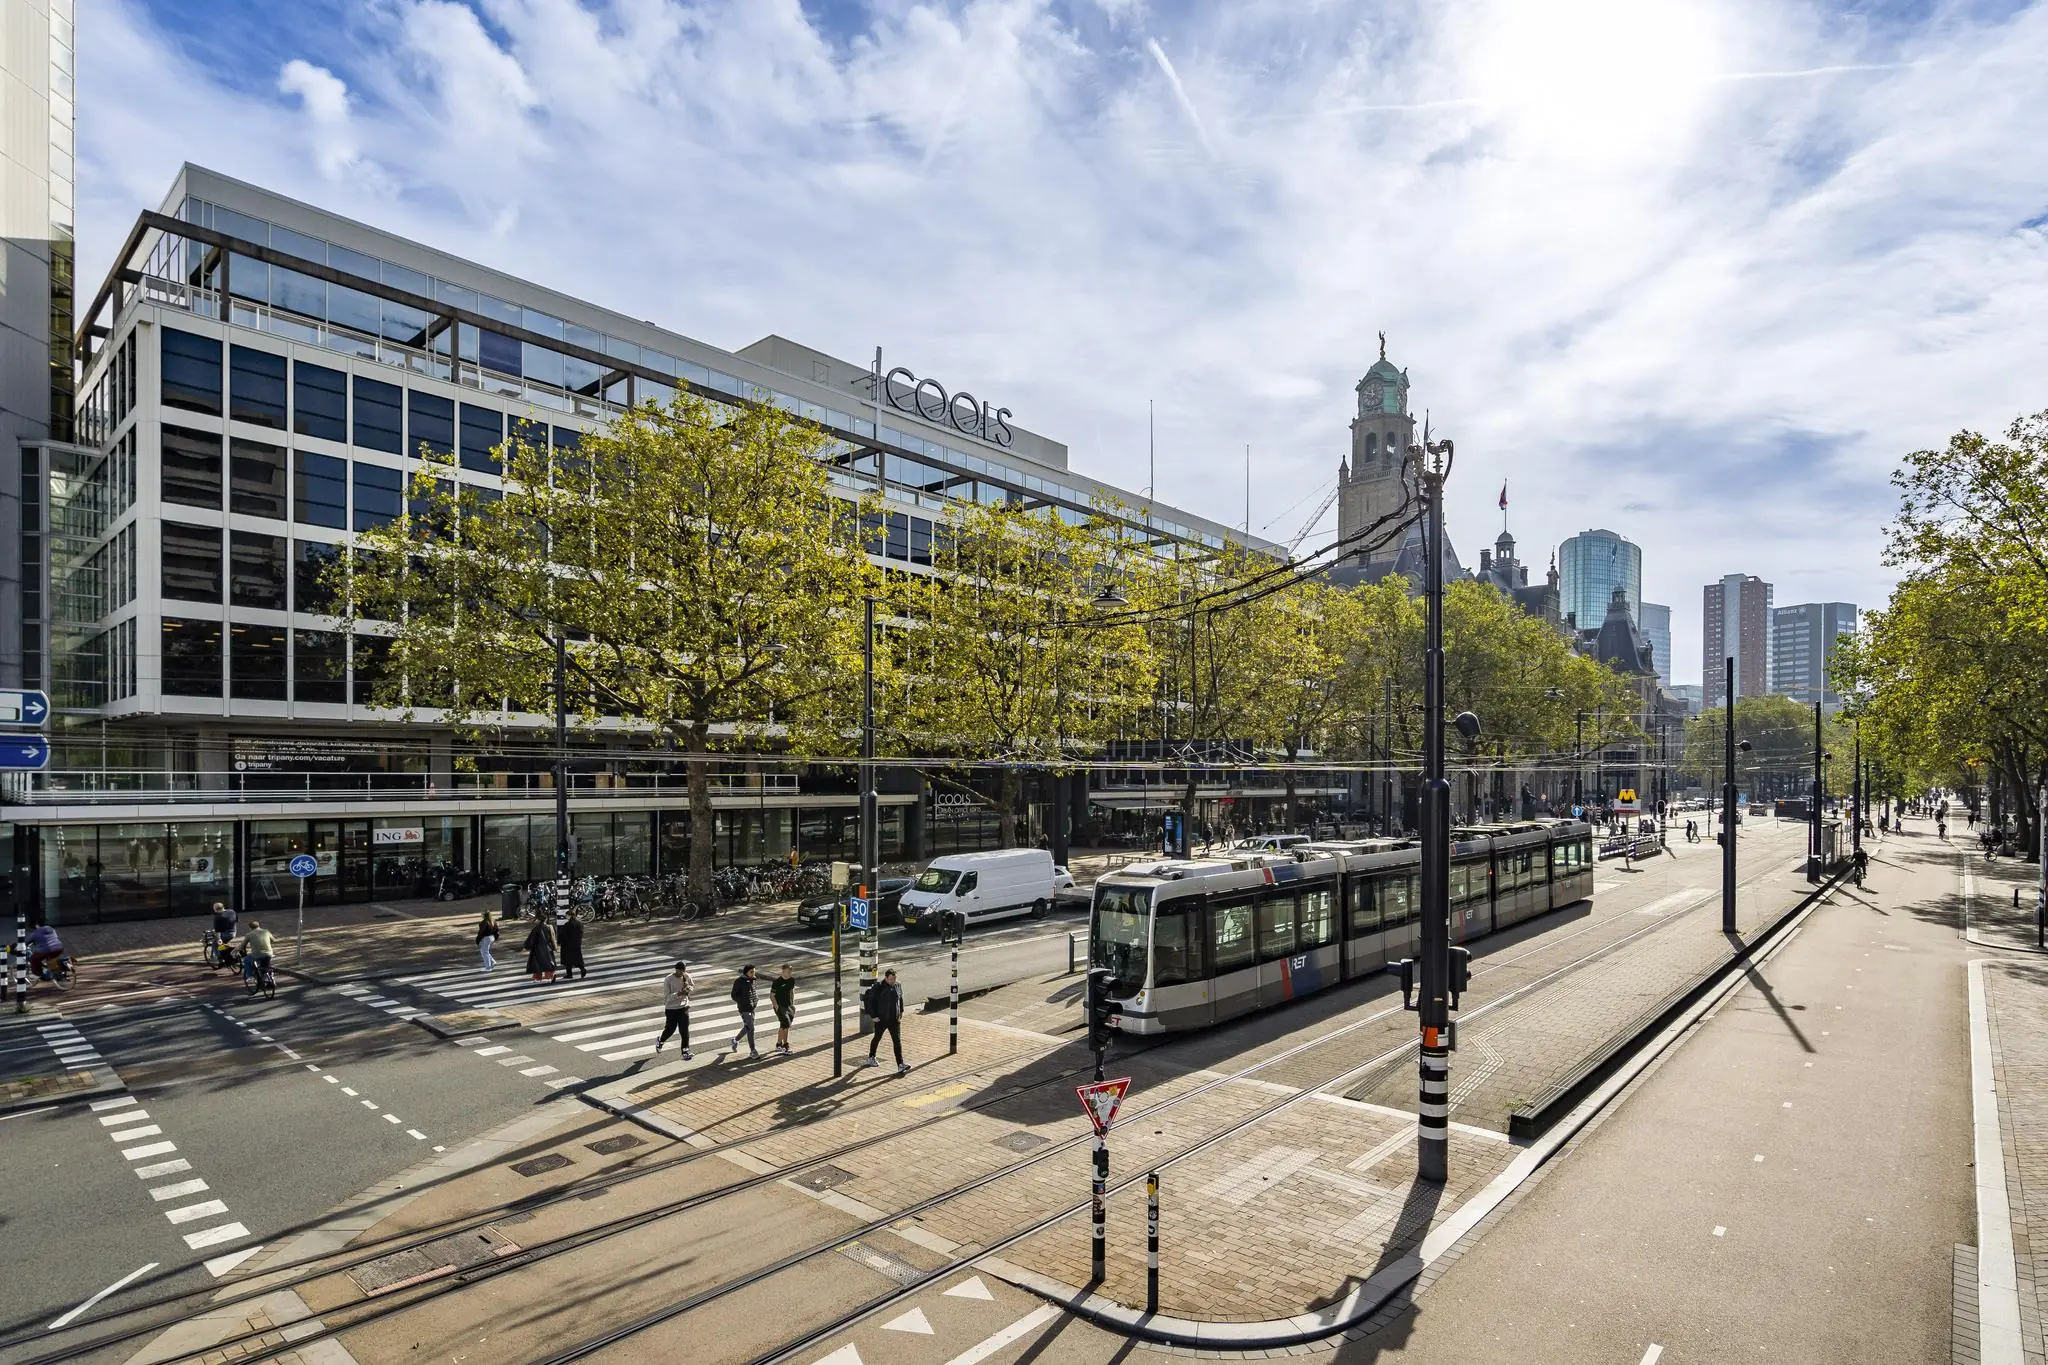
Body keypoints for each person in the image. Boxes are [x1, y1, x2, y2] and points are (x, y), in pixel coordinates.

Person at [863, 967, 908, 1075]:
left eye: (894, 979)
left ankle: (900, 1064)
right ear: (886, 978)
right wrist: (873, 1016)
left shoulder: (897, 985)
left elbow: (900, 998)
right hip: (881, 1020)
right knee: (877, 1038)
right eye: (891, 979)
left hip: (894, 1019)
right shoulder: (878, 987)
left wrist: (901, 1011)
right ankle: (871, 1057)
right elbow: (869, 1001)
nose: (893, 981)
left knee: (897, 1041)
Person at [655, 961, 694, 1058]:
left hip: (684, 1007)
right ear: (676, 970)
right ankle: (661, 1041)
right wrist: (679, 993)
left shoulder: (686, 976)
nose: (682, 973)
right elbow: (667, 997)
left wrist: (689, 989)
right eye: (680, 971)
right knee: (670, 1030)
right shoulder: (668, 979)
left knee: (684, 1030)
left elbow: (692, 985)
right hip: (671, 1009)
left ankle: (685, 1051)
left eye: (684, 971)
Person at [728, 965, 760, 1059]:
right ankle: (753, 1051)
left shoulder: (753, 980)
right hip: (744, 1008)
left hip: (752, 1007)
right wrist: (743, 1001)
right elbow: (733, 995)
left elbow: (753, 992)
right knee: (751, 1028)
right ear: (746, 972)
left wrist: (756, 1000)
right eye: (751, 972)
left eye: (754, 971)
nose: (753, 973)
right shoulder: (739, 981)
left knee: (748, 1027)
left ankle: (735, 1040)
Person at [771, 964, 797, 1056]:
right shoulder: (777, 982)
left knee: (783, 1025)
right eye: (788, 972)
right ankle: (785, 1046)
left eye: (791, 972)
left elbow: (791, 991)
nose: (790, 973)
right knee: (785, 1025)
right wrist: (777, 1007)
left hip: (789, 1006)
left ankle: (778, 1044)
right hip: (780, 1006)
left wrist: (792, 1005)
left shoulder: (792, 980)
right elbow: (772, 996)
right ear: (783, 971)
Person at [524, 916, 559, 982]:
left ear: (539, 920)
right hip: (548, 947)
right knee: (549, 963)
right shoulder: (549, 927)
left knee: (537, 965)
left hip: (537, 948)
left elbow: (532, 939)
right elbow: (553, 936)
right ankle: (551, 975)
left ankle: (537, 977)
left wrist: (526, 946)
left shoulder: (536, 928)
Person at [557, 913, 587, 981]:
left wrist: (559, 942)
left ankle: (569, 974)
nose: (566, 916)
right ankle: (582, 968)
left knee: (567, 960)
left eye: (567, 915)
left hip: (567, 944)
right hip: (576, 944)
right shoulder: (580, 924)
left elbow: (563, 934)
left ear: (570, 916)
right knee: (577, 958)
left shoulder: (567, 924)